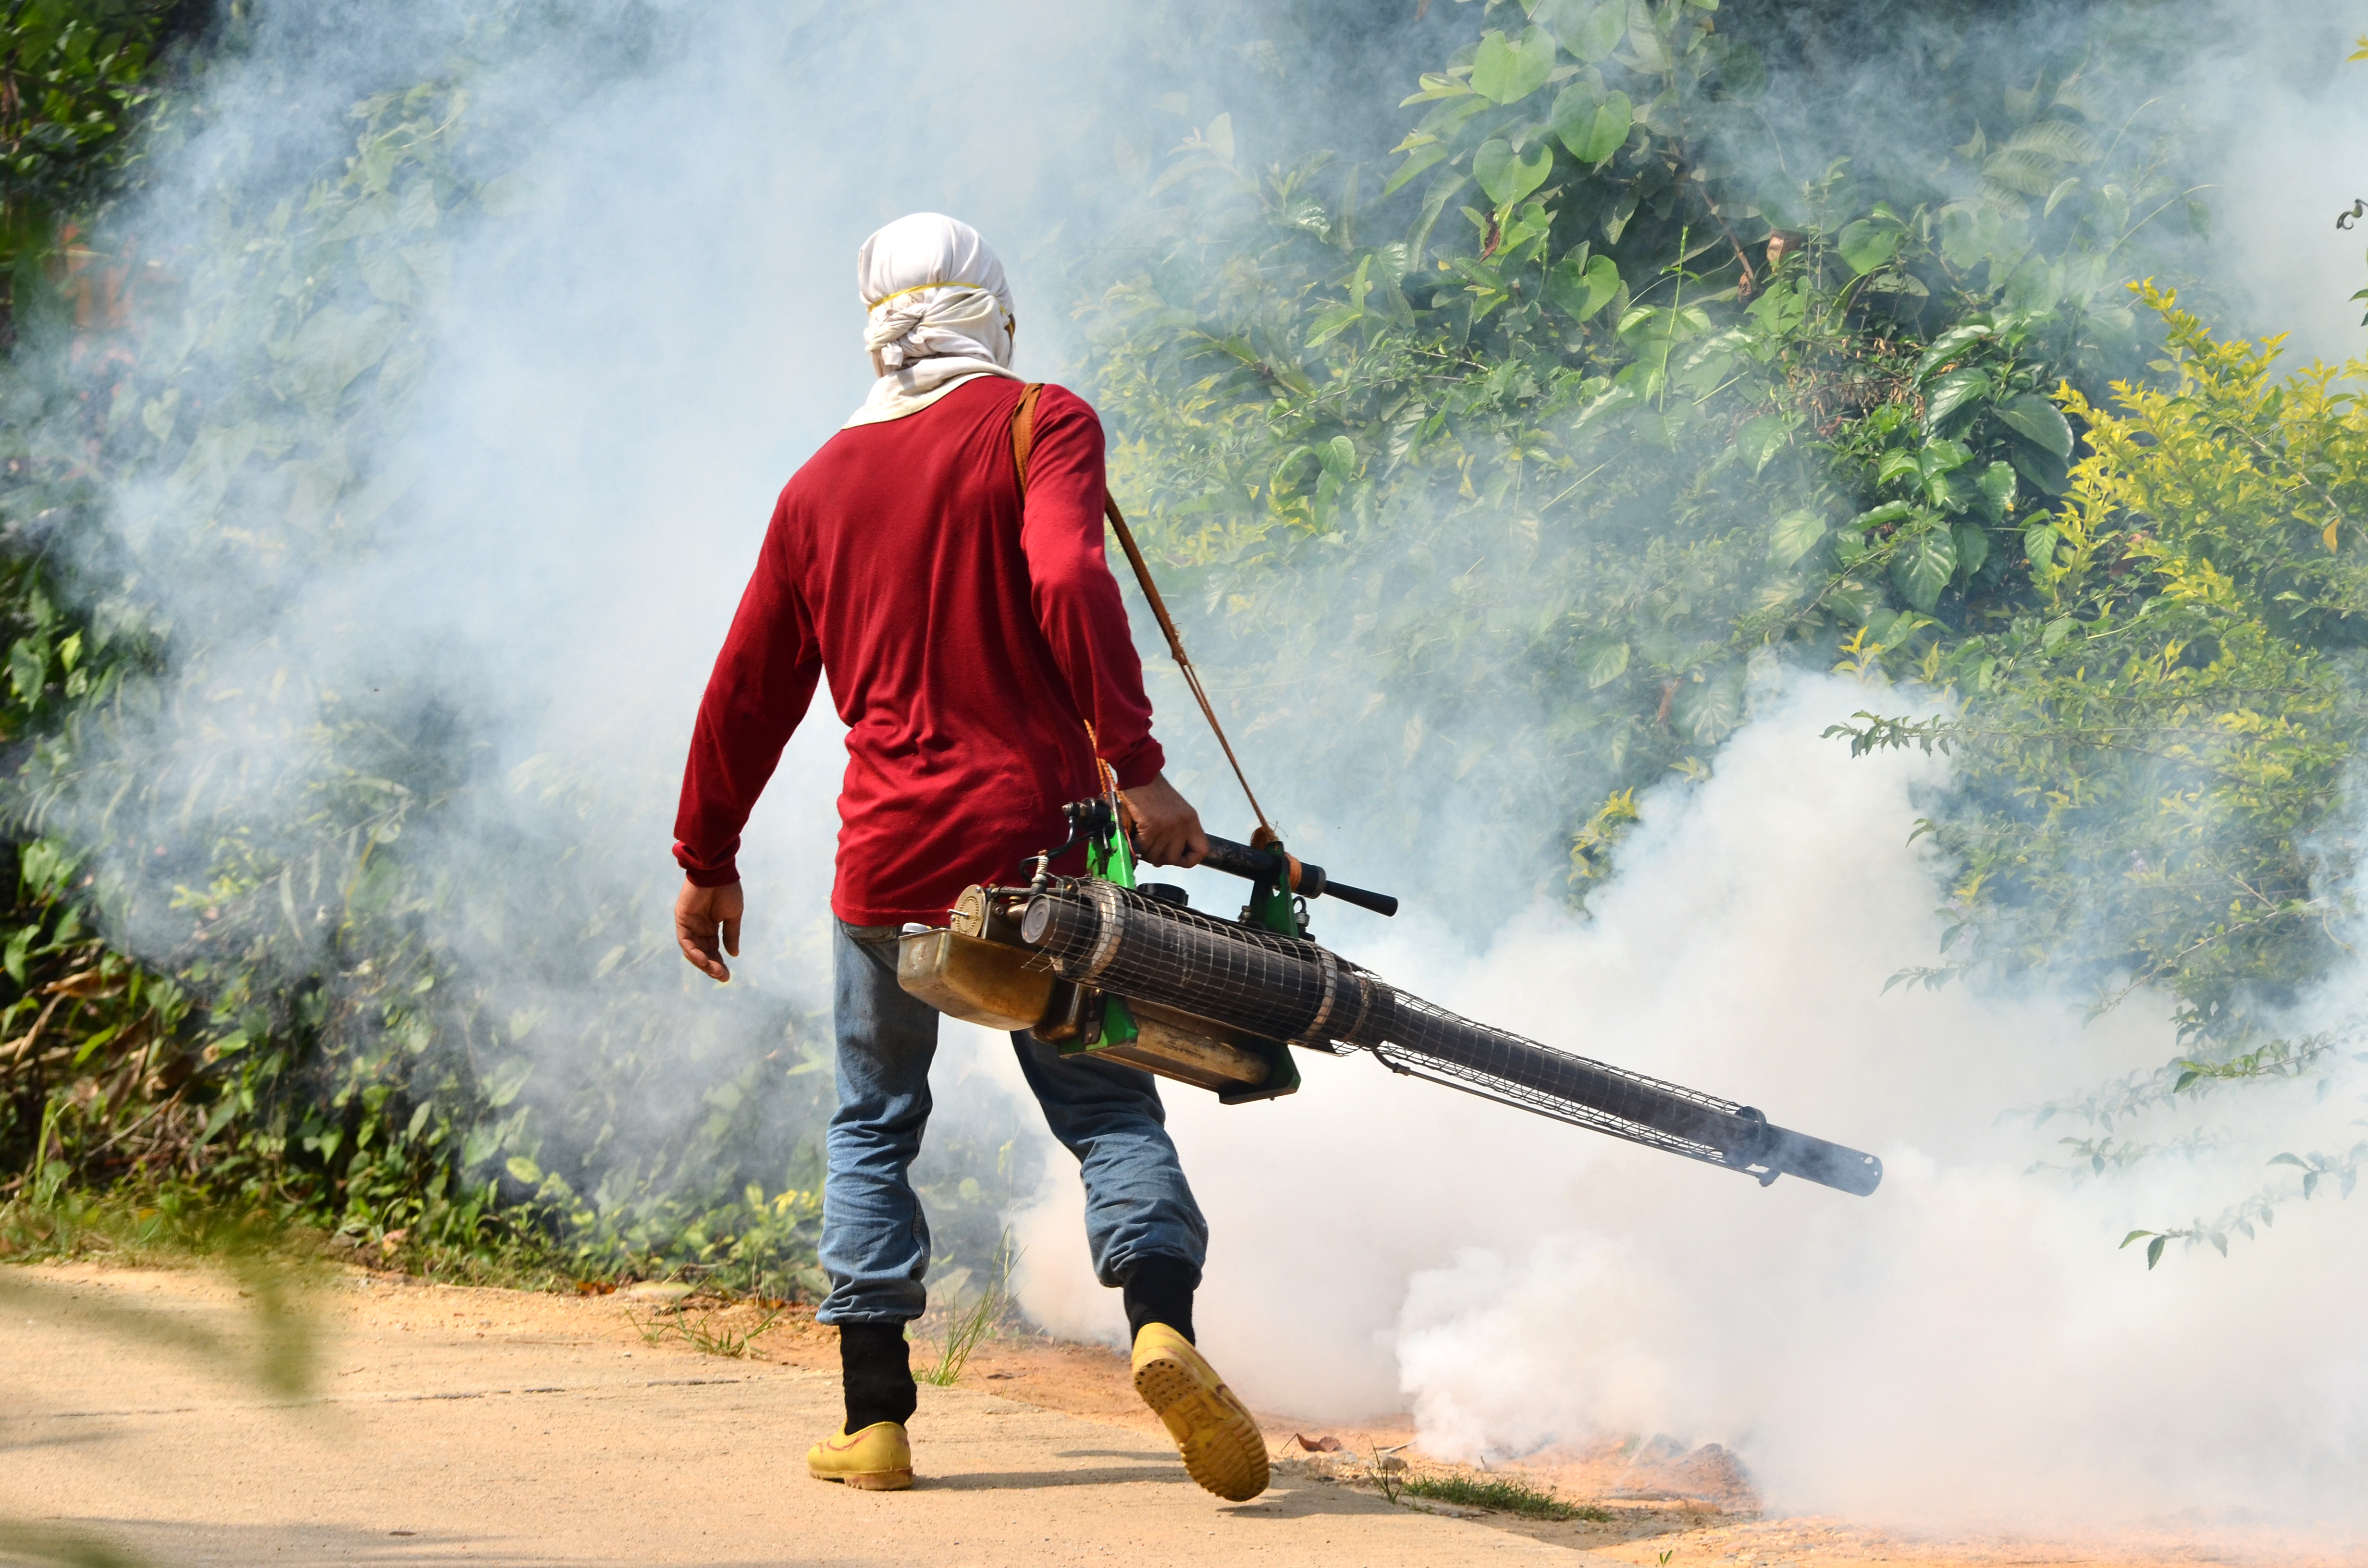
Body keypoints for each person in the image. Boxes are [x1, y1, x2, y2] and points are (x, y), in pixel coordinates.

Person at [668, 212, 1267, 1501]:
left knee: (871, 1127)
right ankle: (1162, 1330)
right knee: (1109, 1110)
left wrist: (705, 852)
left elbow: (748, 686)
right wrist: (1137, 759)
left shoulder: (818, 484)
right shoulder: (1040, 424)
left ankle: (876, 1421)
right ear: (994, 310)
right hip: (1039, 862)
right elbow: (1065, 575)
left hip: (885, 873)